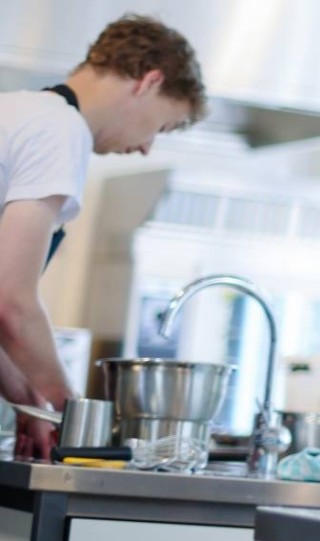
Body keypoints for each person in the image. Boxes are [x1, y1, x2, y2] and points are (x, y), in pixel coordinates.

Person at [0, 14, 205, 460]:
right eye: (163, 127)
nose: (149, 146)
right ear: (149, 81)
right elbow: (11, 302)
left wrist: (27, 397)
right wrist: (71, 406)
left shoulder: (16, 111)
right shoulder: (60, 130)